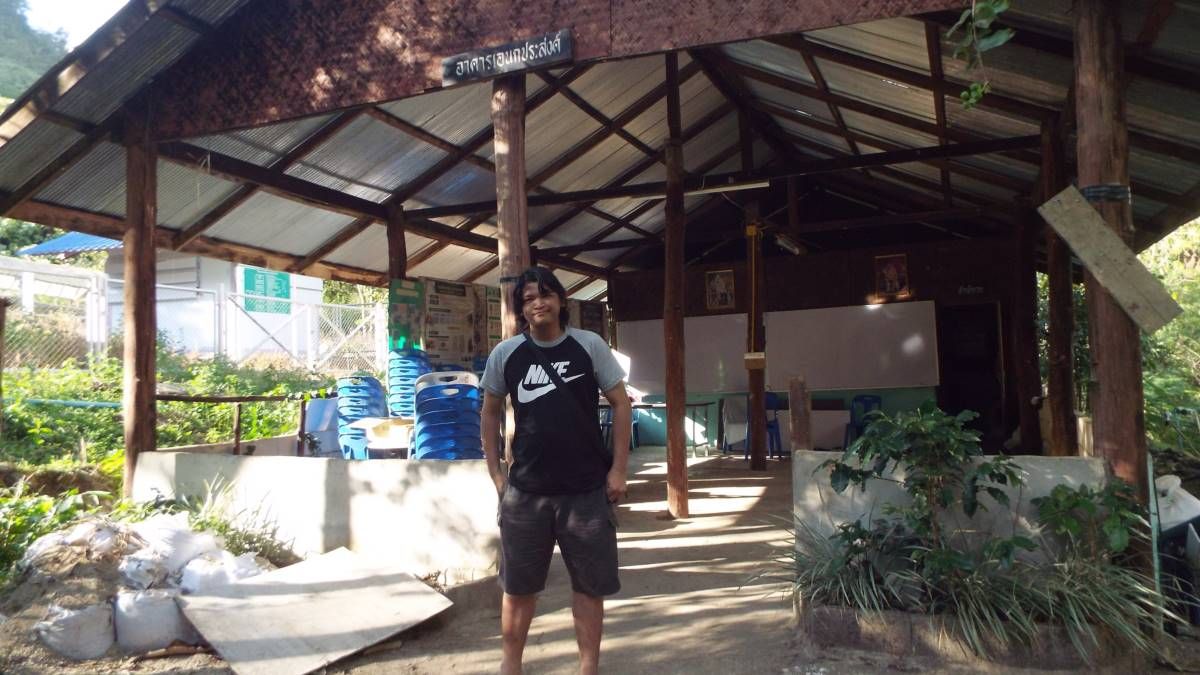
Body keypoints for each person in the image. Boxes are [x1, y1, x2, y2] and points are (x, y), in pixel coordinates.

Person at [480, 266, 632, 675]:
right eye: (528, 298)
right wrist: (496, 474)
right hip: (526, 494)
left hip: (586, 492)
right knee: (518, 588)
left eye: (545, 295)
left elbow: (621, 403)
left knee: (589, 587)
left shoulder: (589, 345)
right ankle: (510, 667)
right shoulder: (506, 354)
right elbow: (489, 412)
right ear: (521, 309)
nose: (538, 303)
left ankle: (588, 668)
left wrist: (619, 469)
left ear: (562, 301)